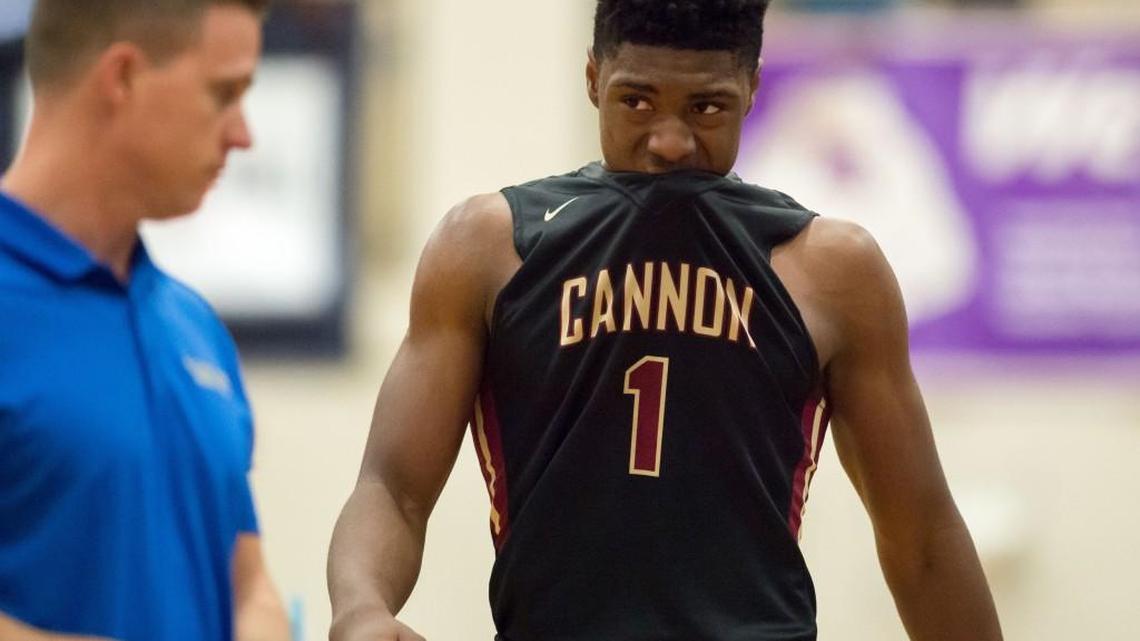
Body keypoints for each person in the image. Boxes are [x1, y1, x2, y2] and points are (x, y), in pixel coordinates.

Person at [327, 1, 1003, 639]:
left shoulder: (830, 269)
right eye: (637, 101)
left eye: (707, 107)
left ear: (754, 87)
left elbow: (921, 536)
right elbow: (393, 486)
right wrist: (361, 606)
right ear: (593, 78)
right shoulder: (487, 247)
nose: (671, 142)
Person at [0, 1, 289, 640]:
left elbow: (247, 581)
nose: (244, 135)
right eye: (224, 93)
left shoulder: (193, 326)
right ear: (123, 76)